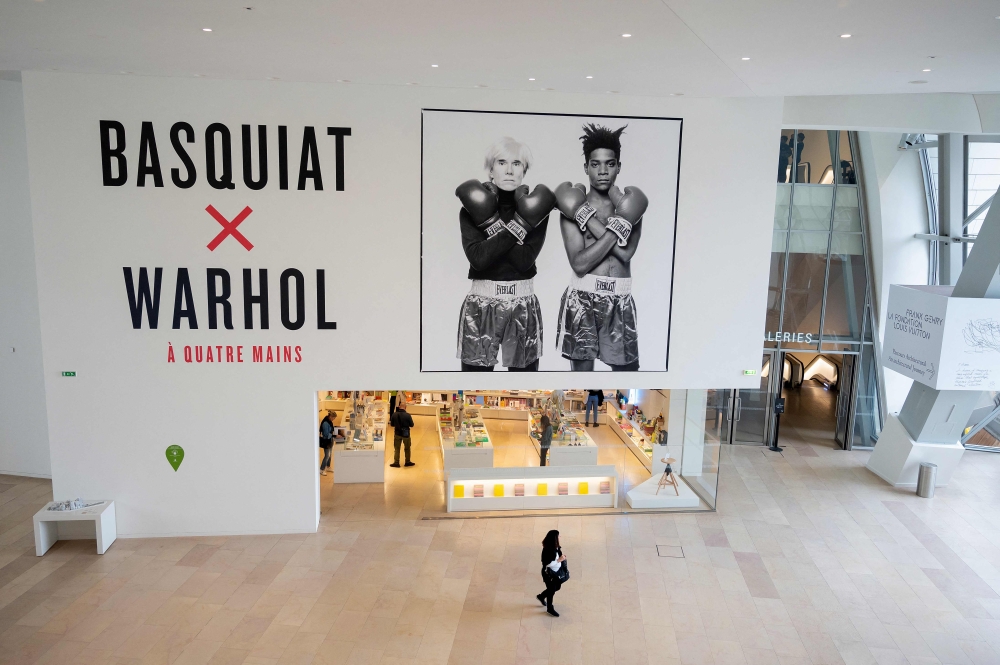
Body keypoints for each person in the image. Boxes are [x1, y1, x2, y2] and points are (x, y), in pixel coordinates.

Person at [455, 137, 555, 371]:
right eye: (501, 163)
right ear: (491, 170)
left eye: (517, 164)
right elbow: (478, 259)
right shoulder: (471, 207)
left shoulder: (537, 207)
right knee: (475, 383)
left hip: (523, 303)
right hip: (482, 303)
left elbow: (524, 261)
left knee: (525, 381)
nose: (509, 170)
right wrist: (520, 225)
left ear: (524, 170)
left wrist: (493, 226)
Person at [555, 124, 648, 371]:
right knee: (583, 380)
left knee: (627, 374)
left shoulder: (632, 206)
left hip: (620, 298)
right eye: (595, 164)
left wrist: (587, 219)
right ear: (586, 167)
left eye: (610, 163)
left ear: (619, 166)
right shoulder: (571, 206)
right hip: (582, 298)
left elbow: (627, 254)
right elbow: (579, 264)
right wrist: (614, 225)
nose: (603, 171)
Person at [536, 529, 565, 617]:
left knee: (557, 587)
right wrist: (559, 560)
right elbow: (547, 563)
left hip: (556, 572)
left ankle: (541, 596)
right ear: (555, 538)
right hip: (549, 574)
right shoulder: (547, 550)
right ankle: (550, 608)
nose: (560, 537)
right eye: (559, 536)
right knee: (551, 591)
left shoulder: (556, 546)